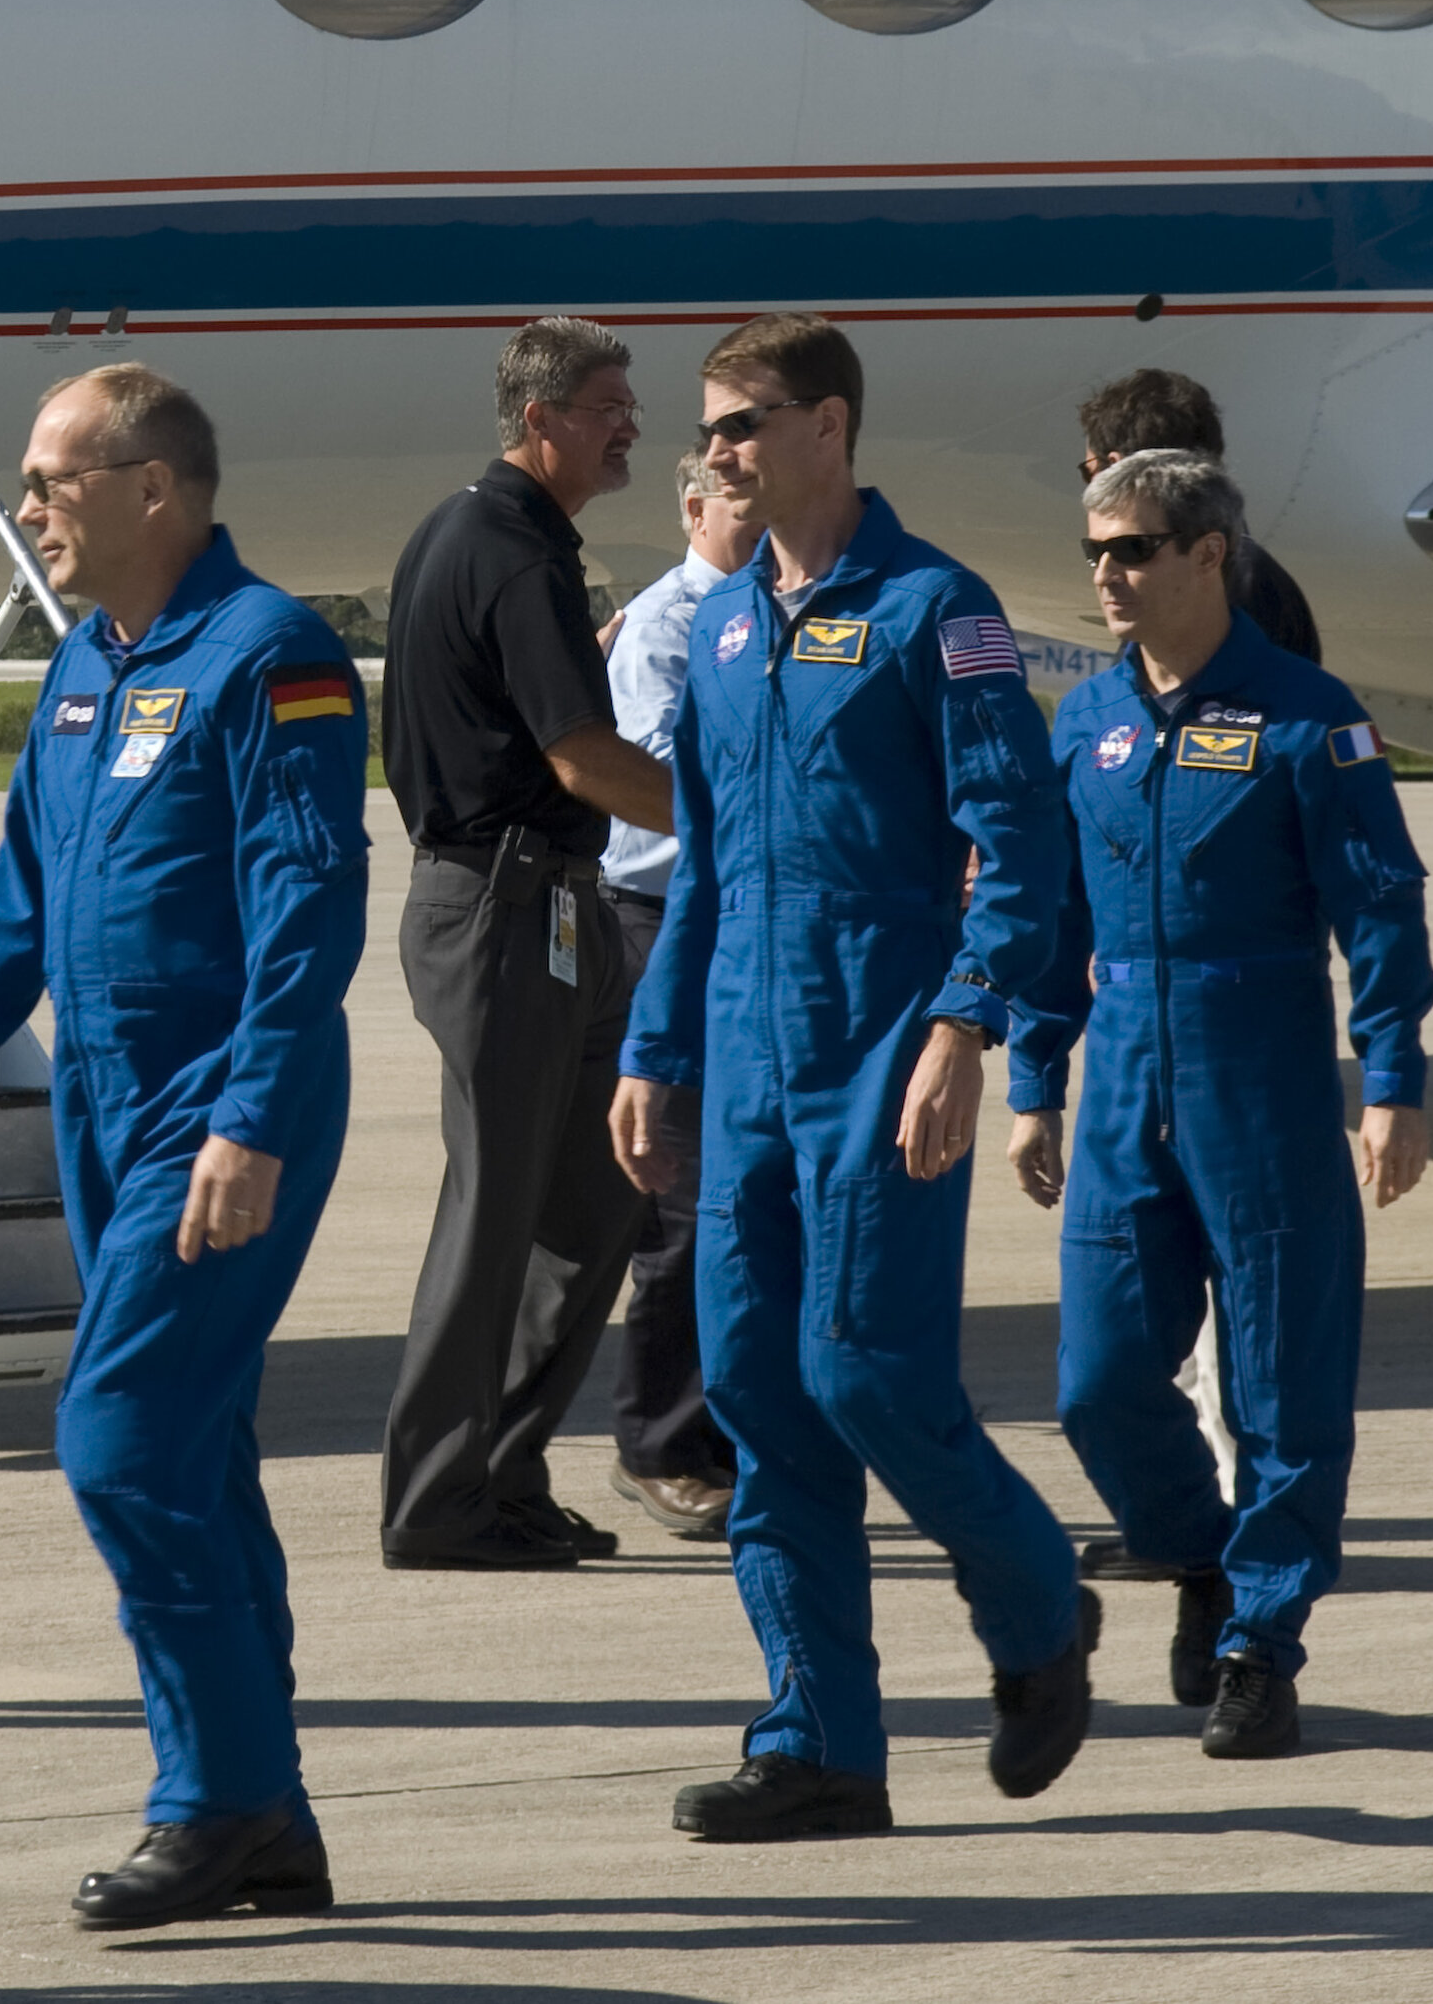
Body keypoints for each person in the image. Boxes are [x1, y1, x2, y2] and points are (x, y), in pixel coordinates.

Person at [0, 366, 367, 1931]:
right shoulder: (86, 665)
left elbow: (307, 911)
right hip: (109, 1101)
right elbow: (22, 910)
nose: (27, 509)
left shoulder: (271, 654)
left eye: (50, 480)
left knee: (120, 1438)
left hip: (217, 1104)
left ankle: (213, 1799)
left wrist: (250, 1117)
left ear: (155, 487)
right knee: (194, 1450)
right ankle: (270, 1819)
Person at [612, 313, 1096, 1843]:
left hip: (883, 1044)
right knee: (756, 1387)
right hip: (747, 1052)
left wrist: (966, 1025)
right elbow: (698, 869)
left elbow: (1017, 845)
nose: (719, 453)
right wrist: (653, 1047)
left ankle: (1036, 1603)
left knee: (865, 1371)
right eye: (710, 429)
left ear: (829, 425)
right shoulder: (731, 628)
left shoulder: (934, 608)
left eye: (745, 422)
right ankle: (817, 1737)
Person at [1008, 449, 1433, 1759]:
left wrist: (1396, 1084)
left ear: (1208, 555)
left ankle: (1261, 1643)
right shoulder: (1086, 722)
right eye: (1097, 550)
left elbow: (1380, 909)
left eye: (1132, 549)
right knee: (1097, 1379)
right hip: (1129, 1073)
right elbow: (1055, 911)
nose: (1106, 575)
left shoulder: (1311, 717)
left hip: (1263, 1078)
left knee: (1281, 1389)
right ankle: (1200, 1555)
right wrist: (1035, 1076)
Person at [380, 316, 673, 1572]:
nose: (631, 425)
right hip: (500, 912)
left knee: (598, 1198)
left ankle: (501, 1469)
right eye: (610, 405)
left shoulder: (506, 539)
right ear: (541, 418)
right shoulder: (507, 548)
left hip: (555, 903)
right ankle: (436, 1504)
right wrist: (743, 819)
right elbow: (579, 754)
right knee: (496, 1211)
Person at [603, 451, 761, 1540]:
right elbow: (661, 771)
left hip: (753, 922)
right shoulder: (670, 625)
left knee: (752, 1197)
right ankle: (658, 1444)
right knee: (683, 1202)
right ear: (694, 511)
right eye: (742, 504)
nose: (765, 520)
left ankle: (741, 1430)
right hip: (666, 925)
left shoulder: (777, 614)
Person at [1077, 369, 1321, 661]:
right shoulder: (1253, 576)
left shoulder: (1239, 582)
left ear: (1116, 466)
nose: (1103, 576)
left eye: (1134, 550)